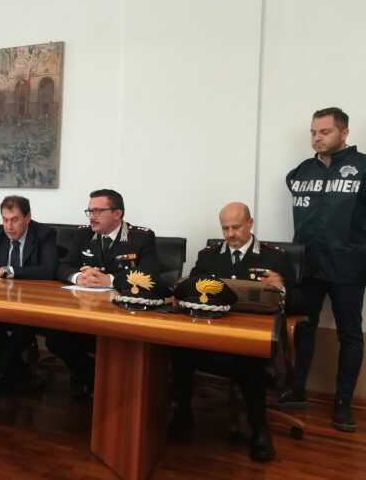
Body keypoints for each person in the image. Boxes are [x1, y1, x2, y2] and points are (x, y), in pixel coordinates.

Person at [170, 202, 293, 462]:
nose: (230, 234)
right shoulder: (209, 256)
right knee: (179, 350)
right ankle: (182, 415)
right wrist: (180, 296)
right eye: (225, 228)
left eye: (236, 227)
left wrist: (281, 288)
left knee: (251, 362)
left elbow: (302, 303)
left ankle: (259, 430)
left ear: (250, 223)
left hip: (250, 337)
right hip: (211, 333)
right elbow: (191, 288)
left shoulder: (275, 257)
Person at [280, 107, 366, 432]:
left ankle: (343, 403)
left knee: (350, 334)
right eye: (313, 132)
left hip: (348, 267)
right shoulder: (301, 172)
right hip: (307, 266)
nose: (317, 138)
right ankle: (297, 388)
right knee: (303, 328)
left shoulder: (362, 169)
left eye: (325, 132)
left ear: (344, 132)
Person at [51, 188, 159, 396]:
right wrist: (78, 277)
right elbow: (63, 266)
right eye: (89, 211)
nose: (92, 217)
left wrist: (110, 280)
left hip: (122, 314)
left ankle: (117, 388)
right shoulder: (83, 234)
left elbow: (150, 275)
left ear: (117, 213)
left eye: (98, 211)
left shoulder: (141, 237)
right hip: (85, 310)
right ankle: (94, 379)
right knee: (56, 337)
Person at [0, 195, 57, 395]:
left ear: (27, 218)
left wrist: (4, 271)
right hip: (2, 301)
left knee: (23, 325)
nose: (9, 226)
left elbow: (48, 271)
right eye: (5, 220)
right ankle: (17, 372)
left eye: (14, 220)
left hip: (33, 304)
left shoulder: (45, 234)